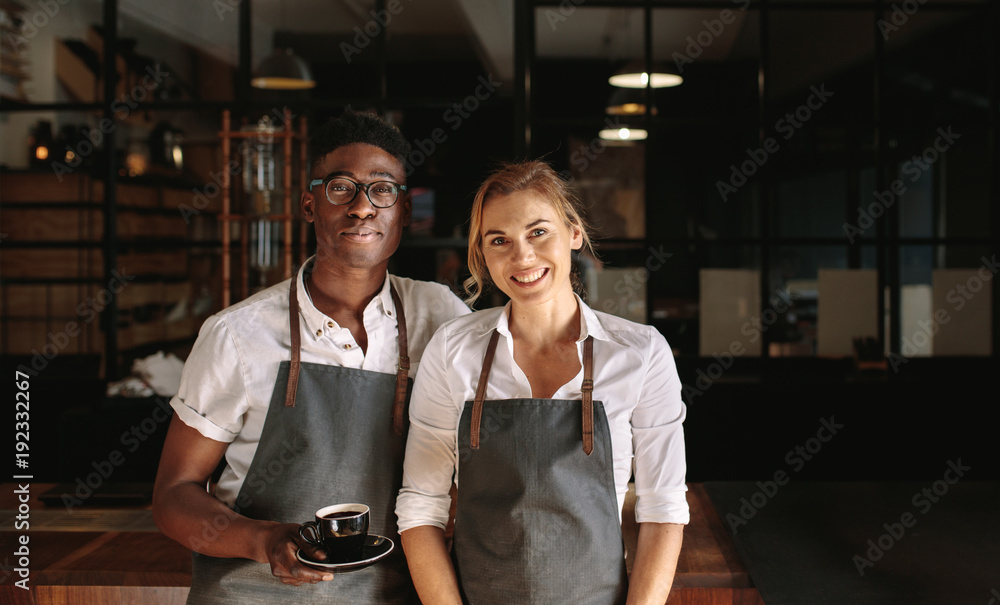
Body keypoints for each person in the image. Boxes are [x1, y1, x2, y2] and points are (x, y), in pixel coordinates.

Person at [152, 108, 470, 604]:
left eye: (382, 189)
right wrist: (265, 541)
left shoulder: (440, 317)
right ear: (308, 205)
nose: (363, 207)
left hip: (394, 593)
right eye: (341, 187)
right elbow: (174, 496)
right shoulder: (236, 334)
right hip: (254, 593)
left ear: (403, 212)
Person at [396, 160, 688, 604]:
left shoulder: (641, 353)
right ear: (483, 255)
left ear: (573, 233)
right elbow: (420, 505)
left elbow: (662, 507)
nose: (522, 257)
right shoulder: (453, 349)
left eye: (538, 232)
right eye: (499, 240)